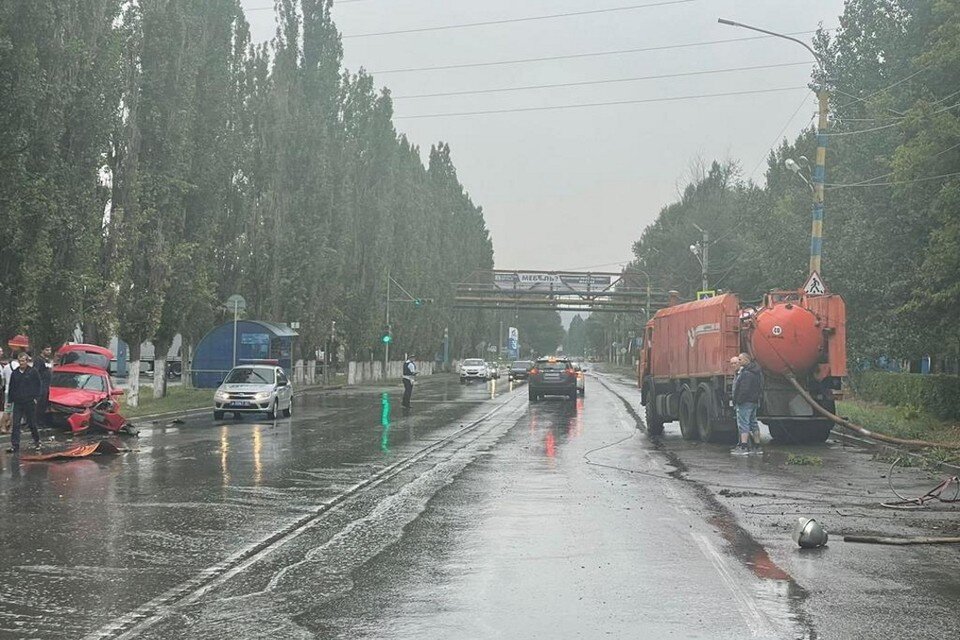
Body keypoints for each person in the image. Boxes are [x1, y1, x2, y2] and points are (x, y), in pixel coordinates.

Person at [7, 353, 42, 453]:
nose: (21, 363)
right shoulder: (15, 373)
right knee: (16, 424)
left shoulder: (32, 372)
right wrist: (10, 401)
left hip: (29, 401)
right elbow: (12, 387)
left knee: (31, 423)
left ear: (27, 361)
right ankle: (15, 445)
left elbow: (38, 385)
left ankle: (37, 440)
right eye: (20, 361)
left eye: (23, 361)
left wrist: (36, 398)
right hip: (18, 402)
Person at [731, 352, 763, 456]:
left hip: (745, 402)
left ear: (746, 360)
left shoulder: (746, 373)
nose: (738, 362)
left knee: (743, 424)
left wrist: (737, 400)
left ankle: (743, 447)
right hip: (754, 401)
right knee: (754, 423)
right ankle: (757, 447)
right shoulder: (757, 372)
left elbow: (743, 389)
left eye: (740, 360)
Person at [34, 346, 52, 426]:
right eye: (47, 350)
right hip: (40, 385)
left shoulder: (47, 360)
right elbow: (35, 372)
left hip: (47, 385)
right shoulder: (38, 360)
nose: (49, 352)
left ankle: (41, 421)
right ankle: (35, 421)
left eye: (50, 350)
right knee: (39, 404)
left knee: (44, 404)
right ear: (42, 350)